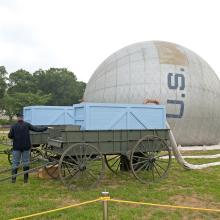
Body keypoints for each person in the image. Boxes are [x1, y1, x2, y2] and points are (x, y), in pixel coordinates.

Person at [8, 113, 48, 183]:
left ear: (17, 118)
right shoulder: (27, 124)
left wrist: (13, 135)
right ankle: (25, 180)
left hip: (16, 147)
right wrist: (45, 128)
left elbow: (10, 136)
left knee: (15, 162)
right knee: (26, 162)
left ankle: (13, 180)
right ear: (22, 117)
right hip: (26, 147)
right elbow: (36, 129)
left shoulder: (13, 126)